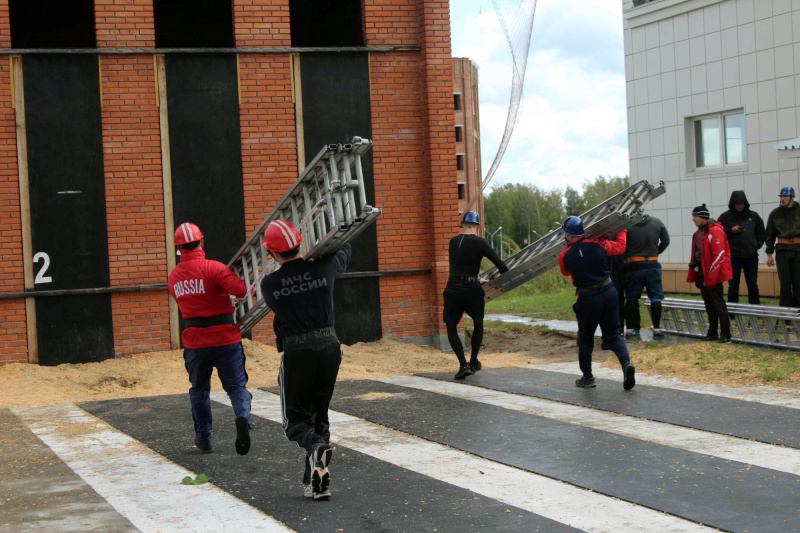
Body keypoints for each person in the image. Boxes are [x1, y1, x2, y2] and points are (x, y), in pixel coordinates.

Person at [260, 220, 351, 501]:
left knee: (295, 421)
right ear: (300, 243)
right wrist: (330, 228)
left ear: (273, 254)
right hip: (330, 347)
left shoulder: (270, 284)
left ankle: (314, 449)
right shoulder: (325, 267)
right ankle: (316, 482)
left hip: (298, 352)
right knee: (319, 416)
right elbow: (346, 246)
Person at [167, 222, 252, 455]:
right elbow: (241, 290)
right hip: (225, 338)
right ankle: (242, 416)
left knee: (199, 390)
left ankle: (203, 437)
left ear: (179, 248)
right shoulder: (214, 268)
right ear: (201, 242)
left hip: (195, 343)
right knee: (236, 387)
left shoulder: (174, 278)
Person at [558, 216, 636, 390]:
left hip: (587, 298)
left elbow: (565, 272)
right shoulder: (599, 244)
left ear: (566, 234)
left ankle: (588, 377)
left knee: (586, 339)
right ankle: (626, 364)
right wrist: (621, 229)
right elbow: (621, 248)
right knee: (613, 335)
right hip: (608, 292)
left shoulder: (564, 256)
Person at [444, 211, 508, 380]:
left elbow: (460, 265)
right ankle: (473, 362)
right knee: (478, 322)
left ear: (462, 224)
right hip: (472, 288)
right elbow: (501, 266)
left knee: (451, 327)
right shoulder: (481, 242)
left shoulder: (452, 242)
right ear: (478, 226)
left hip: (453, 288)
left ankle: (462, 365)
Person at [687, 205, 733, 342]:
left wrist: (712, 277)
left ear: (702, 217)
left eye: (695, 216)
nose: (693, 219)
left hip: (712, 276)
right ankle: (712, 331)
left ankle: (725, 333)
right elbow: (697, 254)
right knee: (709, 304)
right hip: (702, 274)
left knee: (718, 304)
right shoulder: (699, 233)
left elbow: (719, 255)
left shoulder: (715, 231)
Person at [624, 210, 670, 339]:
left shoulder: (627, 226)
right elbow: (666, 241)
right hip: (652, 263)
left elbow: (623, 246)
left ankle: (630, 329)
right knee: (655, 297)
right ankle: (656, 329)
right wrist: (656, 252)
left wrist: (629, 254)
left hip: (634, 265)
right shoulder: (657, 222)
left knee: (631, 298)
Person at [718, 191, 765, 304]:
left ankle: (755, 309)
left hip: (751, 255)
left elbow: (762, 233)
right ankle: (733, 312)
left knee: (752, 283)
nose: (739, 206)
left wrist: (756, 245)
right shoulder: (725, 217)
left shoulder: (753, 216)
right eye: (737, 203)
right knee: (733, 284)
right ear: (732, 204)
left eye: (741, 203)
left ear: (745, 204)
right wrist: (731, 231)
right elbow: (718, 234)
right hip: (733, 256)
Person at [765, 187, 800, 308]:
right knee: (785, 284)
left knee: (798, 283)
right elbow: (769, 235)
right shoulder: (775, 213)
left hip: (798, 250)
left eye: (785, 196)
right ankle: (786, 317)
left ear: (792, 197)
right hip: (782, 251)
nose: (783, 199)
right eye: (781, 197)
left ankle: (798, 316)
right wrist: (769, 254)